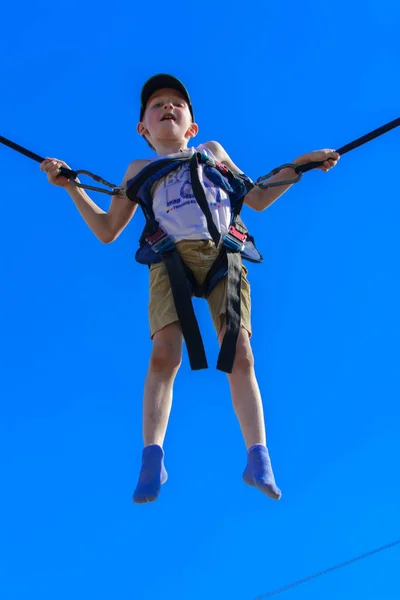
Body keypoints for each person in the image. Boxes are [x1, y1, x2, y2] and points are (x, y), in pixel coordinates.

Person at [41, 74, 339, 504]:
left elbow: (255, 197)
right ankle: (152, 458)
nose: (167, 107)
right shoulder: (138, 171)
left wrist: (301, 165)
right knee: (164, 353)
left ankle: (258, 457)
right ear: (143, 128)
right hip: (170, 261)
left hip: (224, 257)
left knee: (240, 354)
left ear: (192, 126)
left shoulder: (211, 153)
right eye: (157, 104)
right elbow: (108, 229)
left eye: (177, 104)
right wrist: (71, 187)